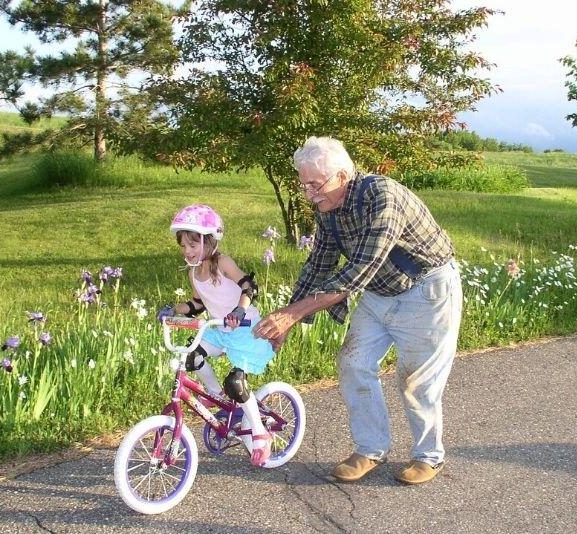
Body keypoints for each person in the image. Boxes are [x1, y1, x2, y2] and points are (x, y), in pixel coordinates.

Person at [253, 136, 462, 485]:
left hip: (427, 291)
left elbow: (358, 271)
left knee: (417, 382)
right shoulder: (328, 211)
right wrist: (288, 320)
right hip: (380, 293)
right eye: (304, 185)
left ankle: (429, 456)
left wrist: (293, 314)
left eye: (314, 185)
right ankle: (371, 449)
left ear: (341, 176)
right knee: (353, 362)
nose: (308, 194)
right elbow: (318, 265)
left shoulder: (383, 197)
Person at [158, 204, 276, 466]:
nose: (187, 251)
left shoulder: (223, 262)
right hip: (219, 330)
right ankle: (215, 394)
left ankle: (259, 433)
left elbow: (249, 286)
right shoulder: (194, 273)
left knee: (236, 382)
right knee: (192, 357)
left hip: (246, 330)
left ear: (208, 240)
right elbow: (197, 305)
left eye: (193, 244)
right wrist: (172, 310)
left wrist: (239, 310)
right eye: (184, 246)